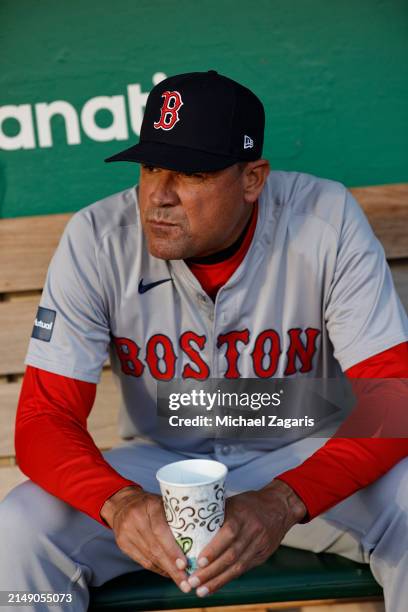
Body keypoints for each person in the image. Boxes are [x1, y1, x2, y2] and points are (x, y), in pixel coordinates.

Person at [1, 70, 407, 612]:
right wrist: (119, 503)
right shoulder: (98, 239)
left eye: (190, 172)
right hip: (161, 465)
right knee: (23, 525)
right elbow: (43, 418)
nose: (157, 197)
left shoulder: (322, 220)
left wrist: (286, 499)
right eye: (149, 167)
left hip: (301, 454)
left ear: (252, 179)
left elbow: (393, 398)